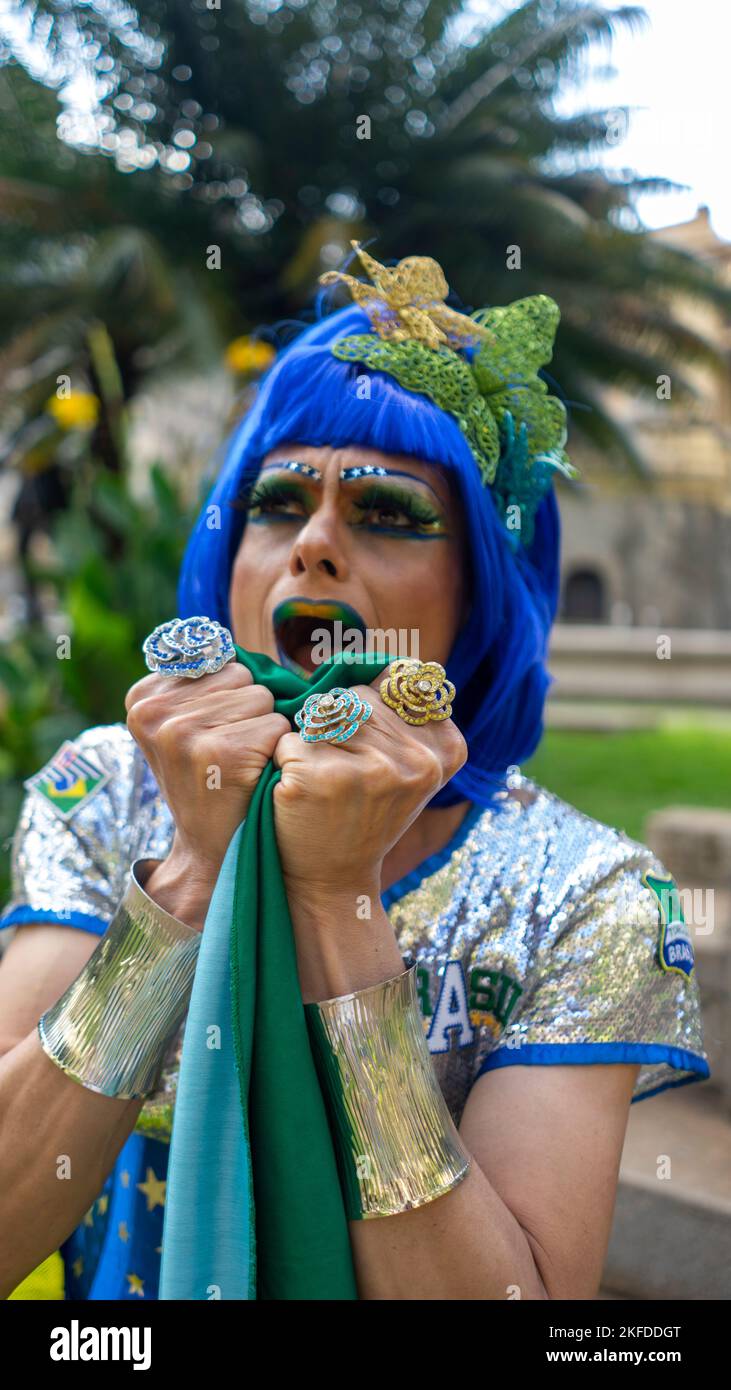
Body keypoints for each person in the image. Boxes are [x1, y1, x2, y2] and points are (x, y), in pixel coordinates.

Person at [0, 244, 709, 1301]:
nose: (314, 546)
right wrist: (195, 867)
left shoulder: (586, 892)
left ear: (480, 594)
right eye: (278, 504)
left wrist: (335, 900)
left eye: (385, 514)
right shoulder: (107, 793)